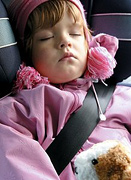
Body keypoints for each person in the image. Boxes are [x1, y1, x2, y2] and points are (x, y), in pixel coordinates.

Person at [0, 0, 131, 179]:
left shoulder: (121, 98)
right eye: (46, 37)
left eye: (76, 33)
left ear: (88, 43)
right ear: (28, 51)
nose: (65, 41)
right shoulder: (17, 112)